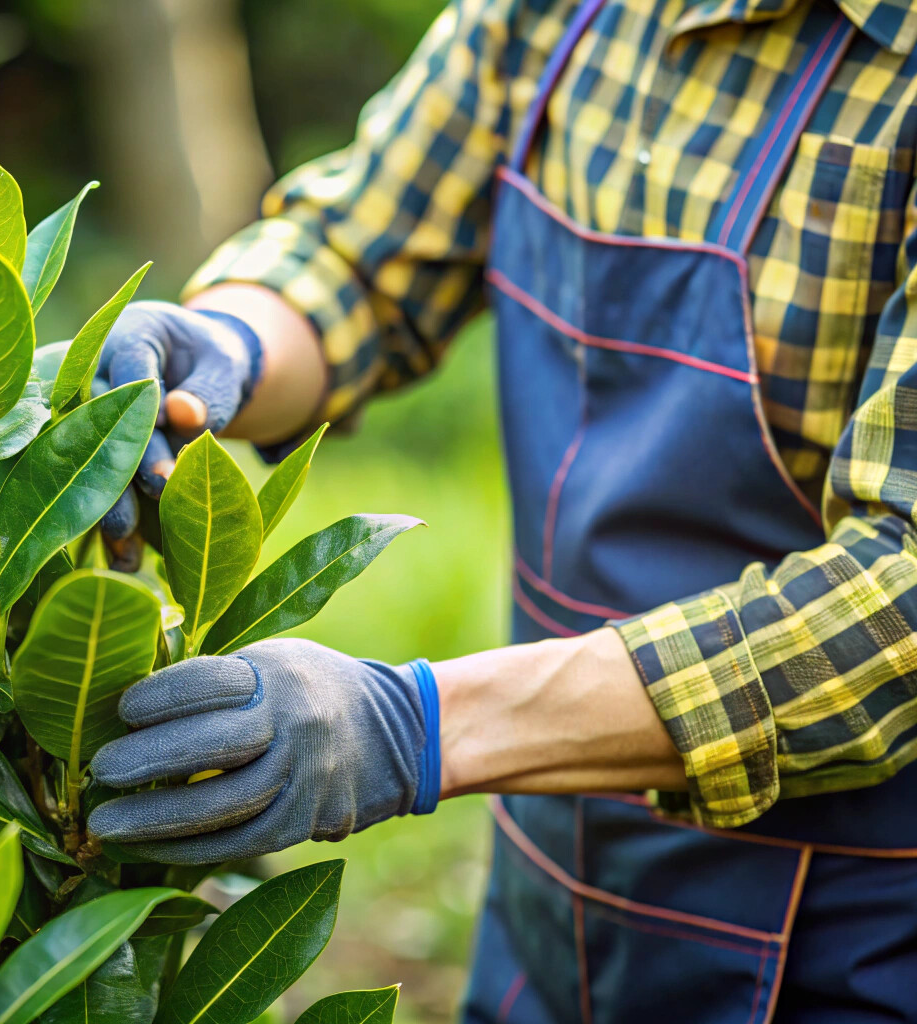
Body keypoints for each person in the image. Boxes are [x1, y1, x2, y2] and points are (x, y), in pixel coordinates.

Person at [83, 0, 917, 1019]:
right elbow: (359, 256)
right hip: (549, 878)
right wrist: (226, 346)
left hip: (850, 937)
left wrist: (418, 726)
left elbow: (902, 592)